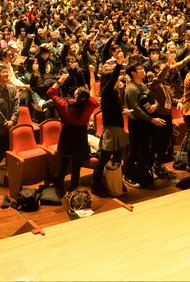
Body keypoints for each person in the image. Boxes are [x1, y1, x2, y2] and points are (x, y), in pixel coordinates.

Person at [47, 71, 99, 194]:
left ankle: (59, 187)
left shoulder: (65, 106)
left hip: (67, 135)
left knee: (64, 164)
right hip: (80, 136)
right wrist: (85, 94)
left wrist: (60, 81)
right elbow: (94, 100)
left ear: (75, 96)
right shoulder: (89, 105)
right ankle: (73, 188)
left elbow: (50, 92)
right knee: (77, 165)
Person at [92, 64, 129, 196]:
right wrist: (118, 65)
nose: (119, 82)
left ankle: (117, 181)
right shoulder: (106, 91)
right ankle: (96, 185)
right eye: (116, 80)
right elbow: (113, 78)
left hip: (118, 128)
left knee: (118, 157)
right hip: (111, 129)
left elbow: (117, 108)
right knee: (104, 158)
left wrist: (123, 110)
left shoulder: (114, 92)